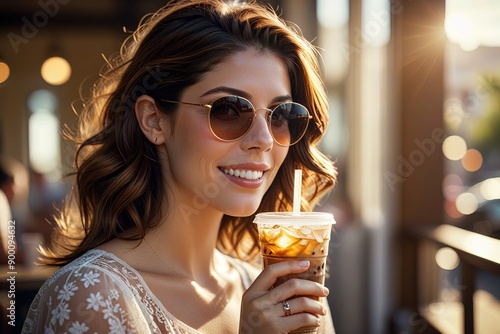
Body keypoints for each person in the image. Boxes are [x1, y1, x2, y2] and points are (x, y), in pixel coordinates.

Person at [22, 0, 337, 332]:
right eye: (229, 110)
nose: (264, 139)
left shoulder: (277, 292)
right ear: (154, 120)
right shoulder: (93, 295)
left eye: (281, 115)